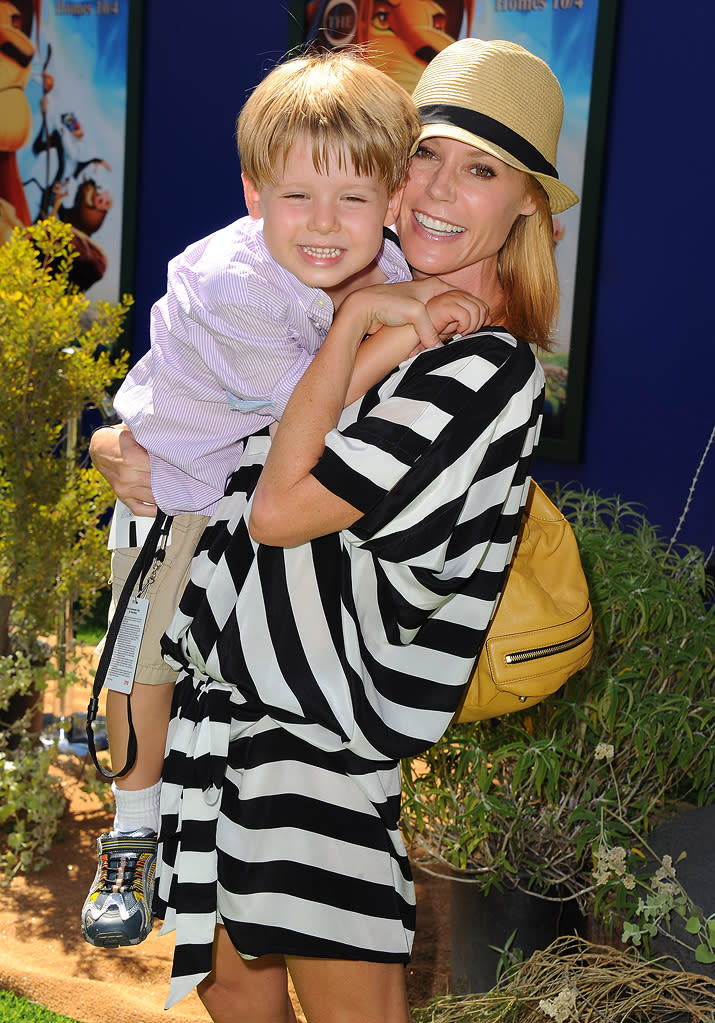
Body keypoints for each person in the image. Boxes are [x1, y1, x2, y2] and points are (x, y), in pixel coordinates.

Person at [91, 37, 579, 1023]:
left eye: (480, 170)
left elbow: (274, 506)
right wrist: (131, 438)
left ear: (526, 200)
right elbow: (242, 433)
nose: (437, 191)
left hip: (319, 743)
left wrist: (360, 327)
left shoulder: (478, 370)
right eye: (425, 158)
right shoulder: (366, 309)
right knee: (234, 990)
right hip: (230, 715)